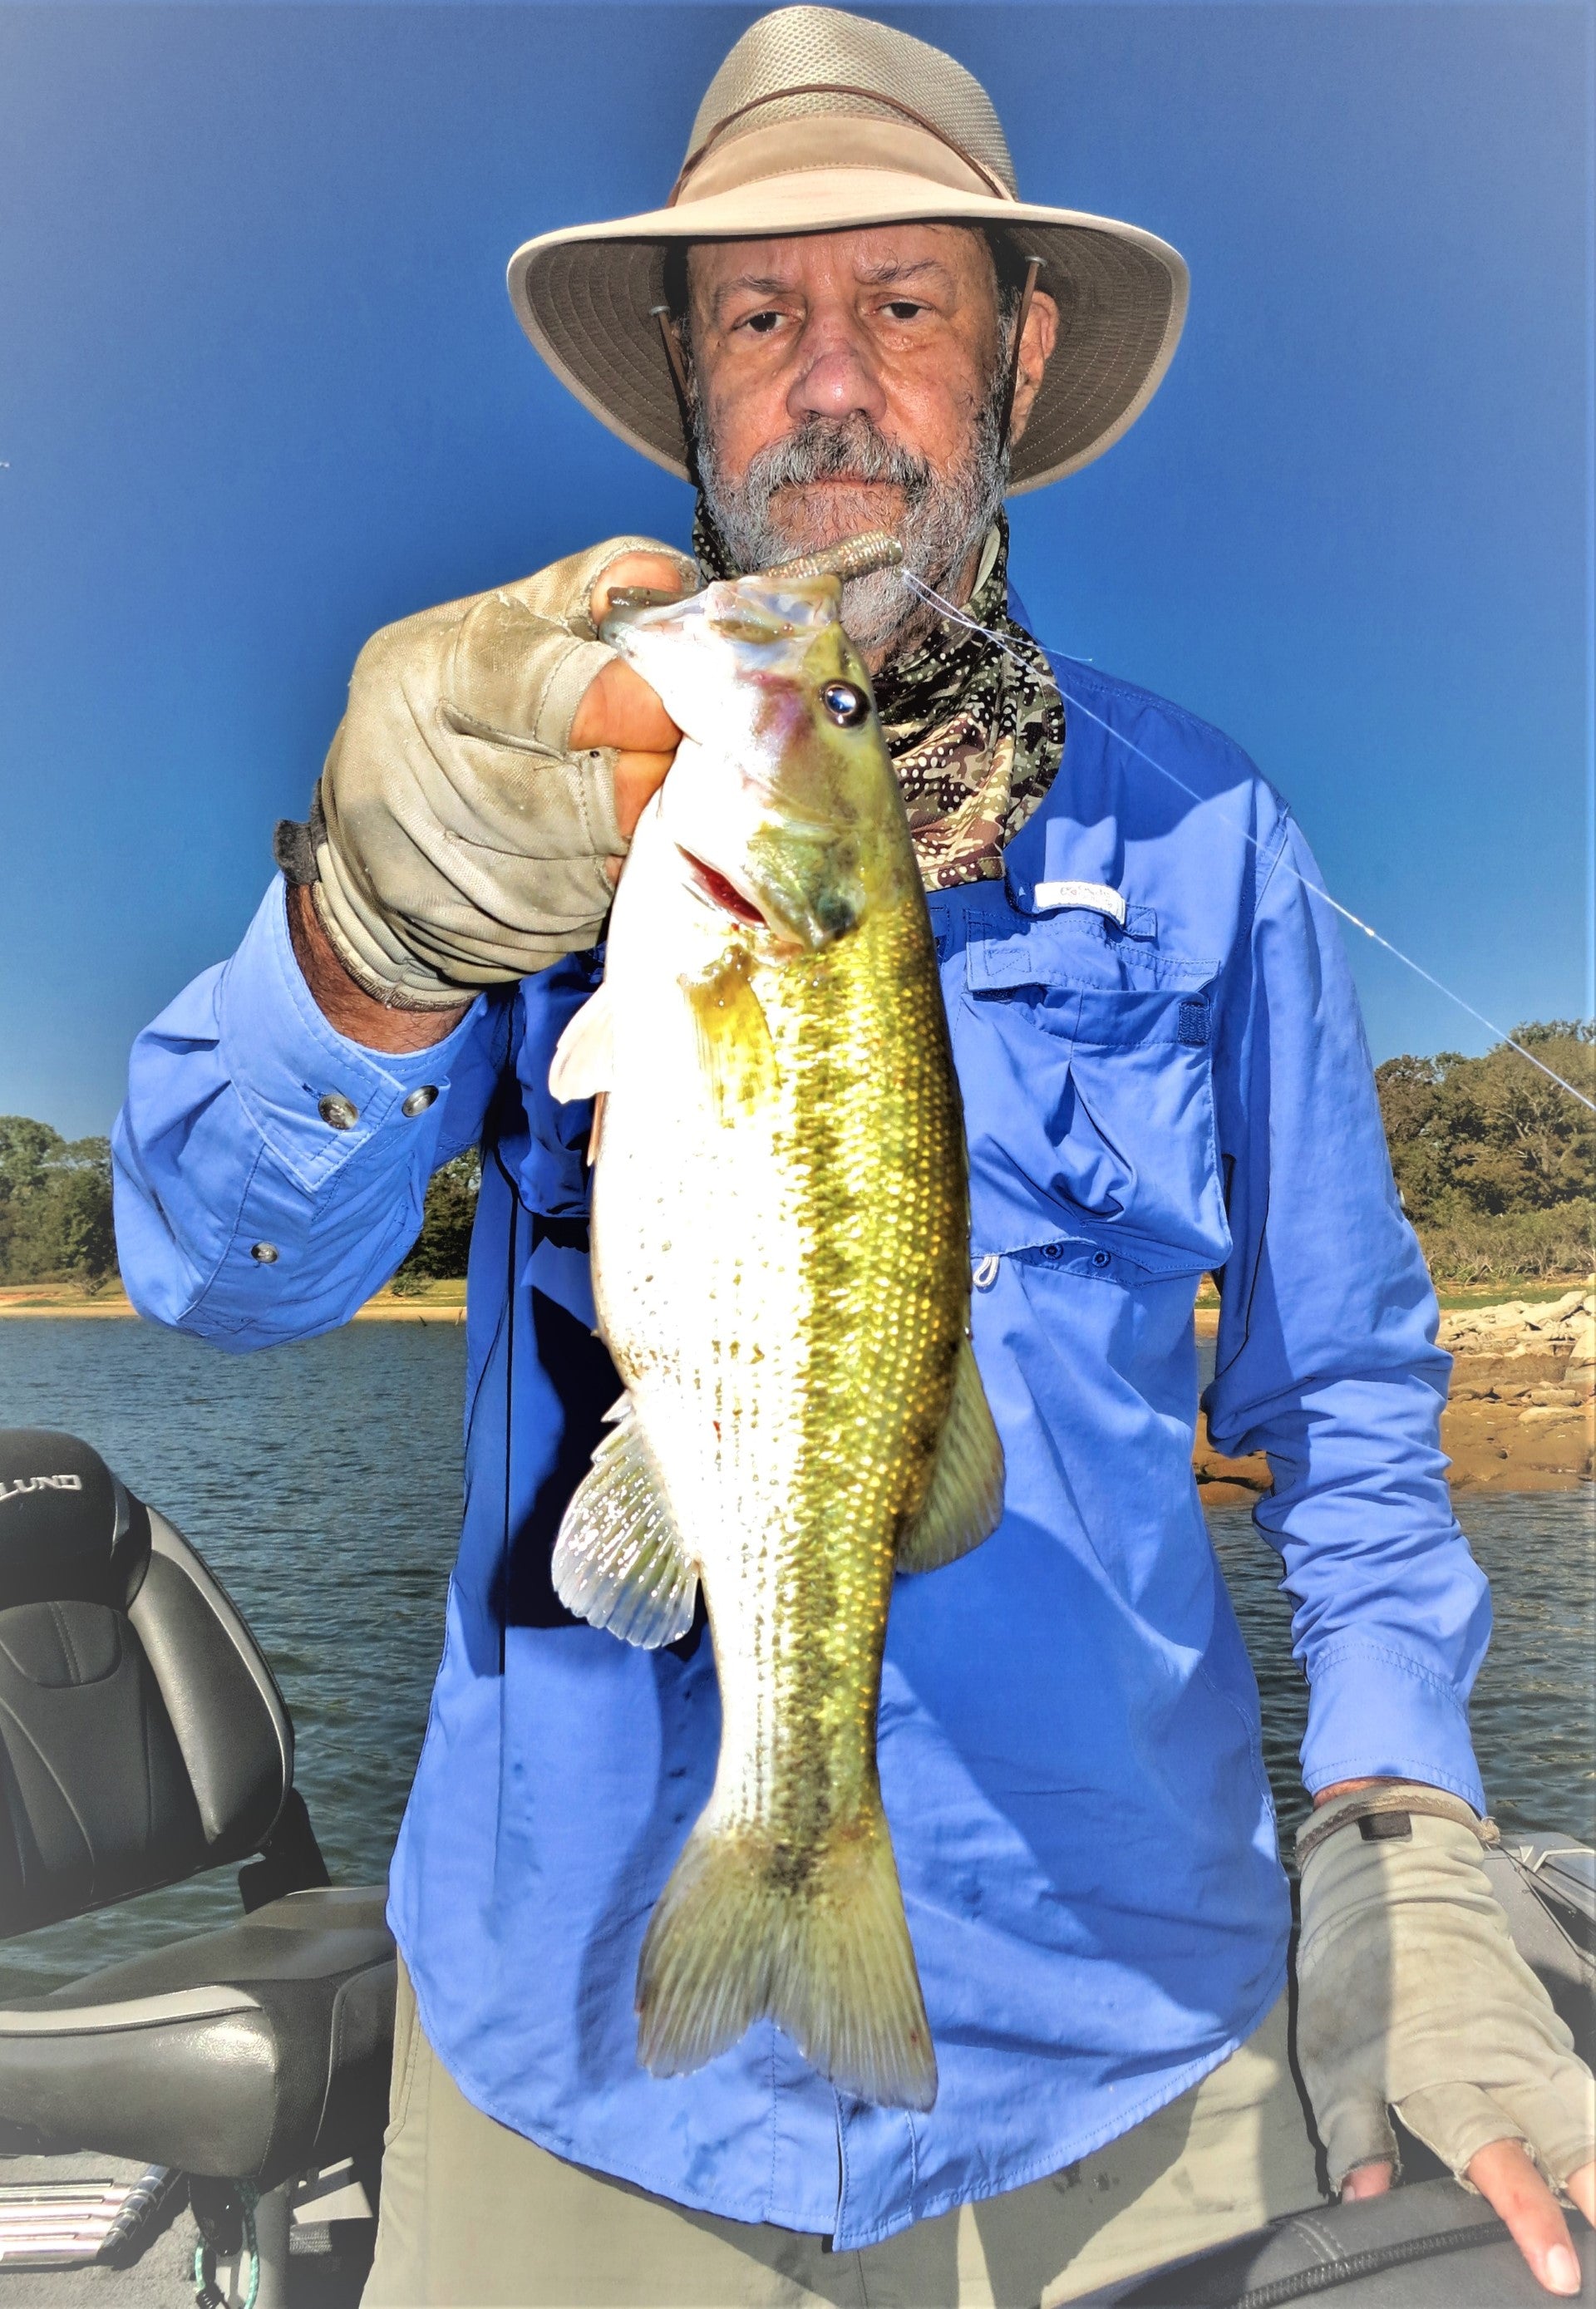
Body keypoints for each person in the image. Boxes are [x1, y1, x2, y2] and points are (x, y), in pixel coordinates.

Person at [112, 8, 1594, 2302]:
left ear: (1016, 363)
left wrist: (1402, 1834)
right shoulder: (536, 804)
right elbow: (218, 1274)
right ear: (688, 393)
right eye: (761, 317)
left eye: (903, 308)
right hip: (581, 2059)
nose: (830, 384)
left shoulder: (1212, 840)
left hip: (1131, 2056)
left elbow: (1359, 1412)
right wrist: (373, 929)